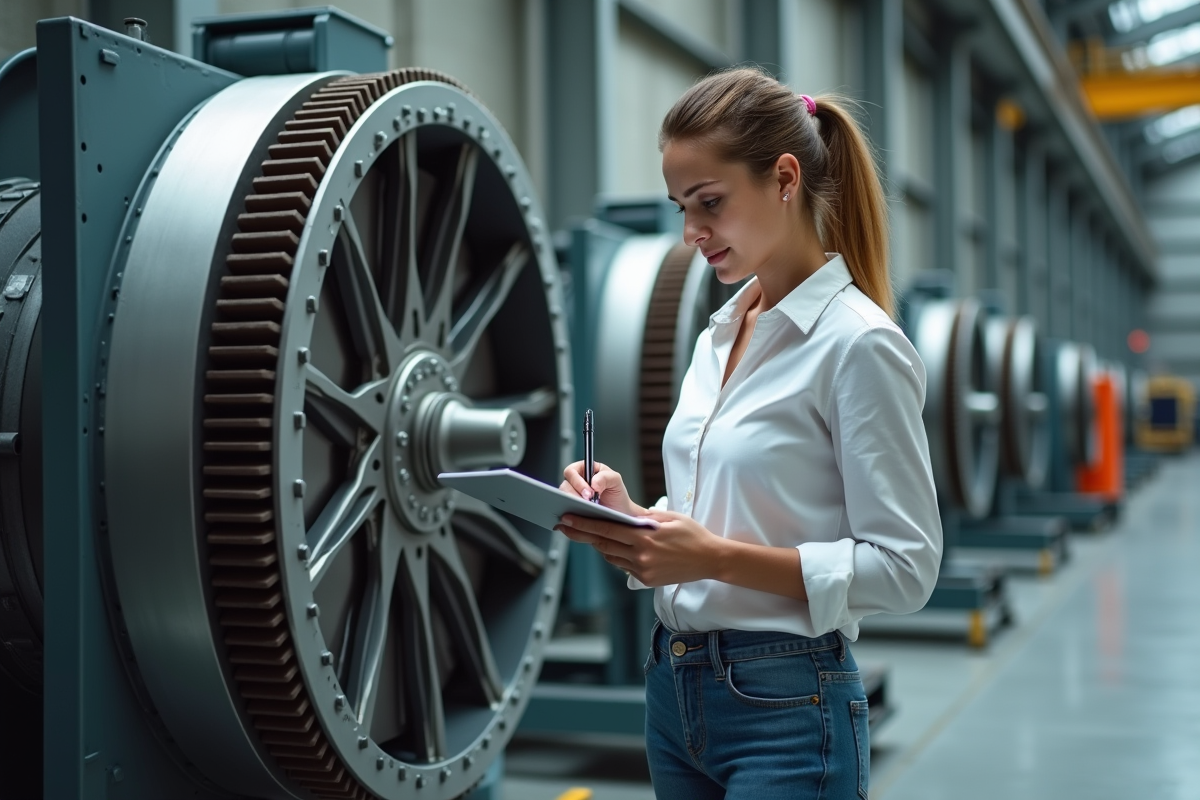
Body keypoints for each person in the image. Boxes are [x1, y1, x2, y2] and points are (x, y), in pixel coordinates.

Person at [555, 67, 943, 799]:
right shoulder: (720, 333)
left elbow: (906, 567)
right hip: (674, 691)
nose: (690, 232)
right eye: (680, 207)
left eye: (709, 203)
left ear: (785, 178)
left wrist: (714, 557)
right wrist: (634, 517)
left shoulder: (857, 344)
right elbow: (724, 512)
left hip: (787, 705)